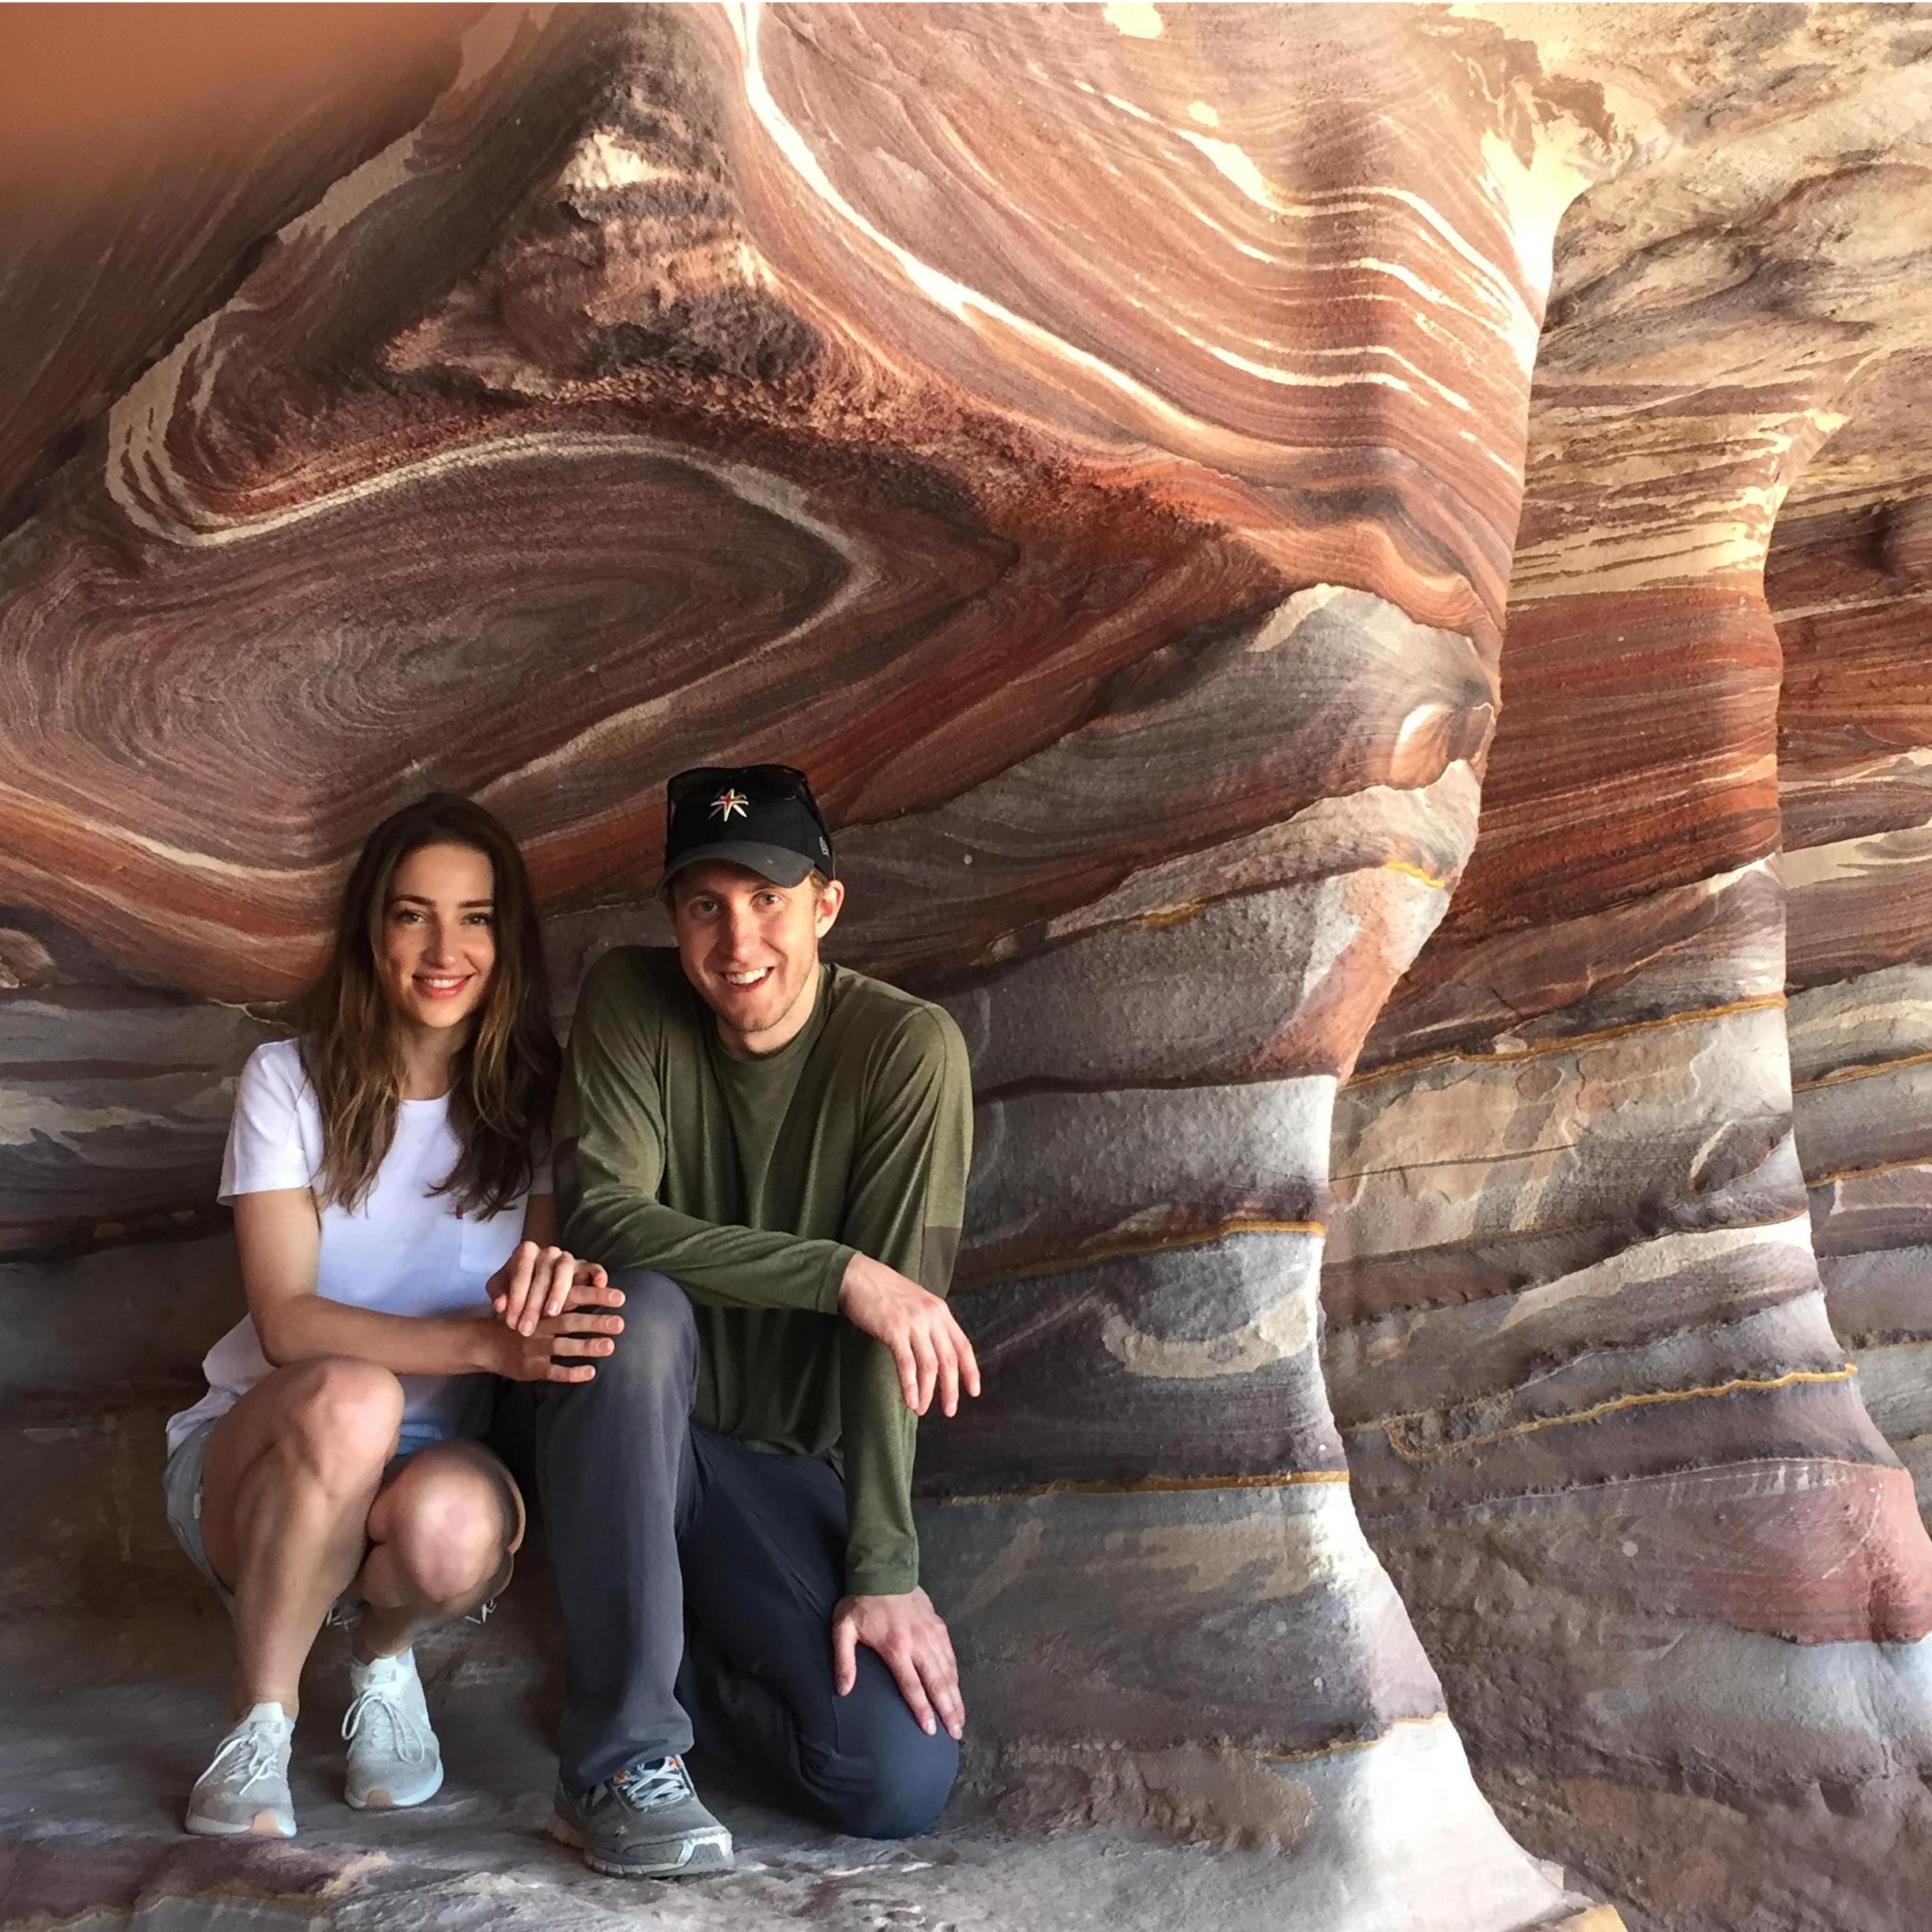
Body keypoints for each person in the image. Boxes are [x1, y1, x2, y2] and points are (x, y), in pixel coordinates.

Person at [512, 762, 979, 1878]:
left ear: (827, 905)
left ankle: (658, 1681)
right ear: (673, 919)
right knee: (634, 1314)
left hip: (782, 1476)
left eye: (769, 899)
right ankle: (618, 1763)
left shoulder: (906, 1052)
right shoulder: (630, 1000)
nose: (738, 940)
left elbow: (900, 1336)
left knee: (897, 1777)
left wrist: (883, 1567)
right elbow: (607, 1219)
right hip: (630, 1433)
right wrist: (836, 1274)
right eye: (705, 906)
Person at [163, 794, 623, 1839]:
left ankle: (383, 1661)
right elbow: (287, 1324)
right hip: (258, 1460)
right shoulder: (288, 1080)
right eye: (414, 915)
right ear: (372, 931)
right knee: (353, 1398)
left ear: (507, 941)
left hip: (425, 1466)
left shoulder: (538, 1104)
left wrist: (543, 1303)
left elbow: (540, 1296)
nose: (444, 950)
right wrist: (483, 1342)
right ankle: (262, 1721)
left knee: (455, 1529)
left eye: (475, 918)